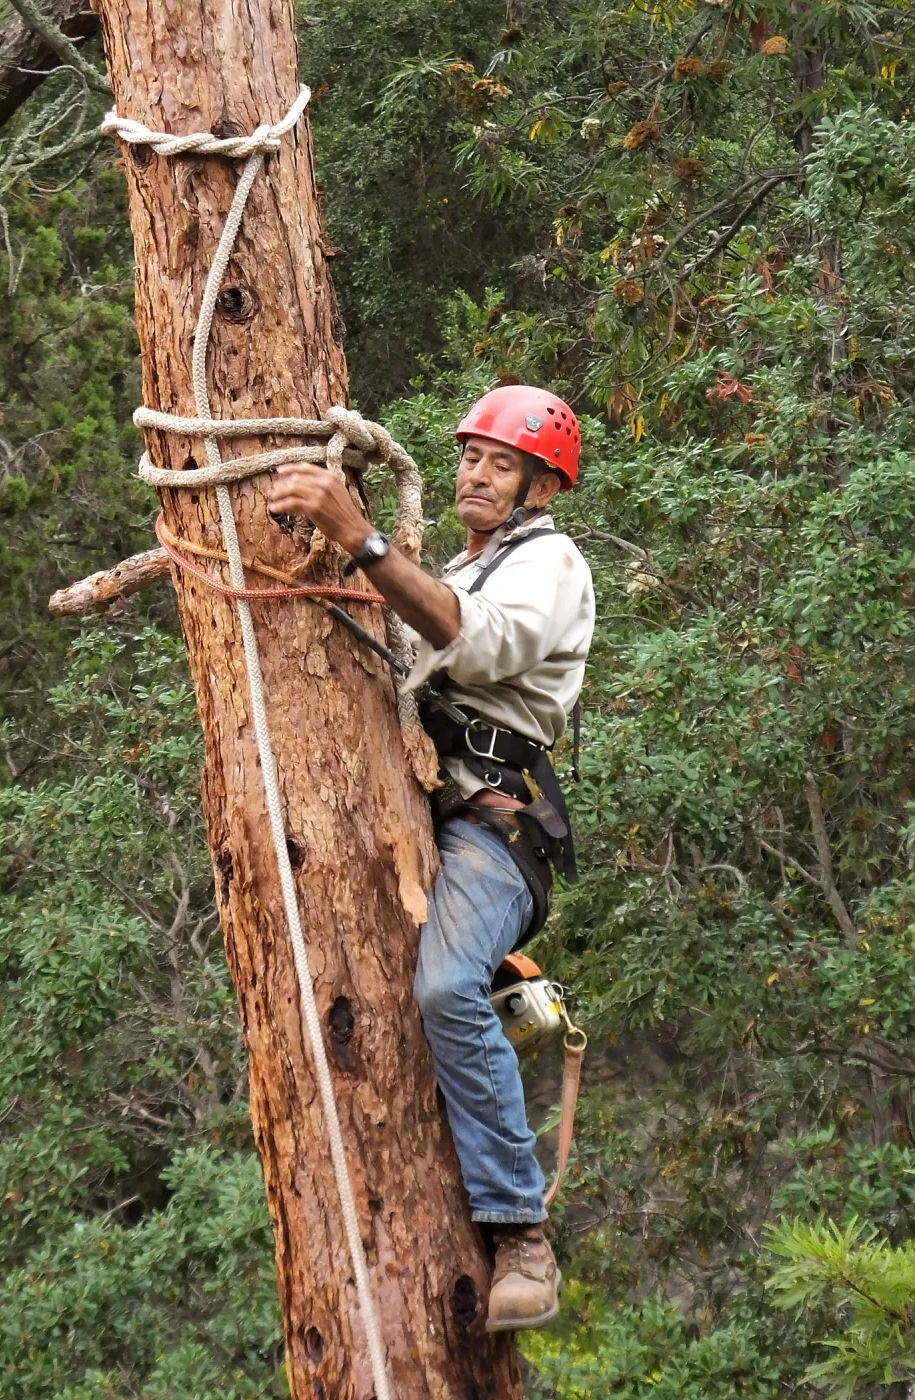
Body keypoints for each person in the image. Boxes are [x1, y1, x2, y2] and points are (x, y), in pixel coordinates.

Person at [268, 385, 596, 1333]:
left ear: (541, 484)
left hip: (493, 827)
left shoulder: (550, 564)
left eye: (499, 463)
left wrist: (366, 541)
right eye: (469, 457)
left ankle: (519, 1230)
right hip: (420, 800)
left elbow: (477, 642)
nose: (474, 474)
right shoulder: (465, 564)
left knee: (449, 987)